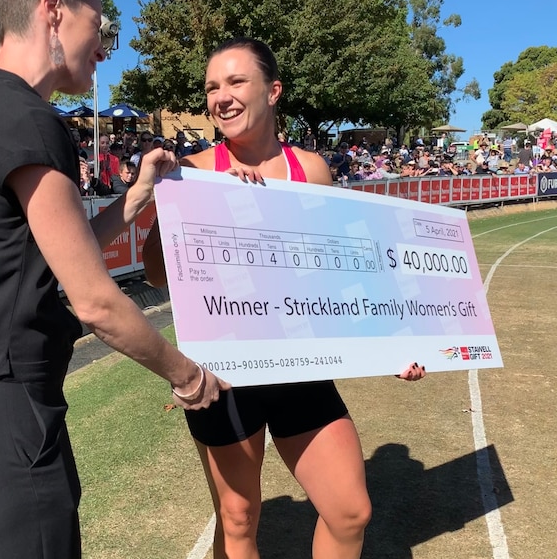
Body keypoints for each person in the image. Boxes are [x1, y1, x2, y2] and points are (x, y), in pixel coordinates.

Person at [0, 0, 227, 558]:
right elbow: (95, 302)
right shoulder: (27, 119)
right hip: (3, 415)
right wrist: (189, 375)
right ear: (53, 8)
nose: (103, 50)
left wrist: (133, 200)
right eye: (100, 28)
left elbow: (39, 253)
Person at [143, 37, 424, 559]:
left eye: (235, 82)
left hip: (301, 364)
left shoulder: (313, 170)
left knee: (350, 511)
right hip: (226, 374)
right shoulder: (192, 172)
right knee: (239, 519)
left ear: (273, 91)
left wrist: (390, 349)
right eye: (211, 87)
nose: (220, 97)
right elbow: (158, 275)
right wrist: (196, 203)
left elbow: (339, 275)